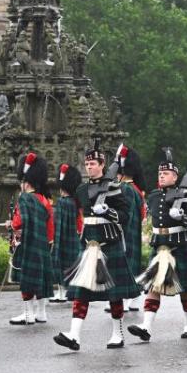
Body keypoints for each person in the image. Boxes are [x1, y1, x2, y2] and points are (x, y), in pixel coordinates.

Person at [53, 140, 134, 351]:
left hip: (110, 244)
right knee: (81, 291)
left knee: (114, 294)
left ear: (102, 164)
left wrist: (107, 210)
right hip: (89, 245)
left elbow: (126, 215)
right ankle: (74, 335)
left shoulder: (114, 188)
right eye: (87, 164)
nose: (89, 167)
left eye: (93, 164)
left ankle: (117, 333)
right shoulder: (81, 190)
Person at [128, 148, 187, 343]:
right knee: (154, 287)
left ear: (175, 176)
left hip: (179, 245)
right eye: (160, 174)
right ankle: (146, 326)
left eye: (166, 174)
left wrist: (183, 218)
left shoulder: (185, 195)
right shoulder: (153, 196)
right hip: (160, 246)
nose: (162, 176)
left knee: (186, 288)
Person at [8, 152, 55, 326]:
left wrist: (11, 224)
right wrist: (49, 242)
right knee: (41, 279)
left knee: (27, 279)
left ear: (25, 182)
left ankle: (28, 314)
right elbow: (50, 226)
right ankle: (41, 313)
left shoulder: (25, 198)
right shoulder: (44, 199)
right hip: (42, 245)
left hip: (28, 244)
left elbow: (19, 222)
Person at [116, 147, 146, 311]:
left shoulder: (125, 188)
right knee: (132, 262)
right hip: (132, 232)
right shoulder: (135, 189)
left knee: (125, 263)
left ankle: (126, 298)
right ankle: (133, 298)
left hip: (124, 232)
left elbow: (122, 214)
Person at [51, 164, 83, 303]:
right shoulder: (75, 201)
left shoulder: (62, 202)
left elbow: (57, 223)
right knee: (72, 264)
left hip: (62, 237)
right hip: (73, 238)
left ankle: (62, 292)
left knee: (60, 263)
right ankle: (71, 291)